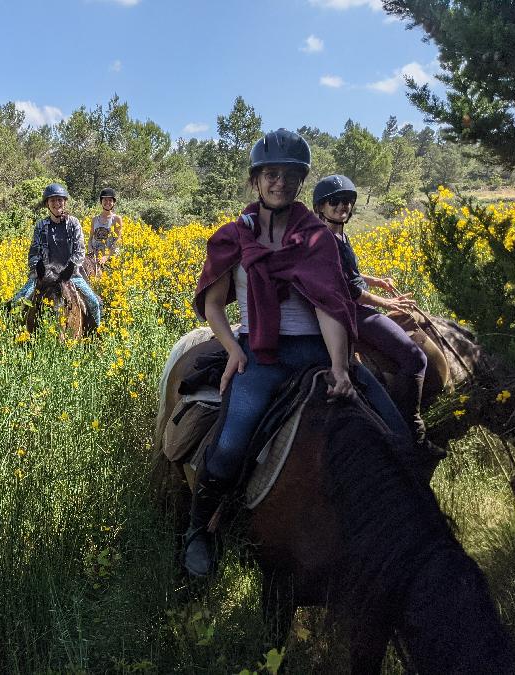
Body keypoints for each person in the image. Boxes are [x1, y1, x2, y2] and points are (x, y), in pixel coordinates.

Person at [185, 129, 413, 577]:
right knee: (229, 445)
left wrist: (340, 366)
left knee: (397, 434)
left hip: (316, 351)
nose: (280, 183)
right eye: (271, 174)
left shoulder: (317, 237)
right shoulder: (233, 237)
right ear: (256, 180)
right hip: (261, 355)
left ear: (300, 181)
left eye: (290, 176)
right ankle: (200, 530)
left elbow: (330, 305)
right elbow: (213, 303)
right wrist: (232, 348)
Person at [313, 174, 441, 459]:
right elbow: (352, 292)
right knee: (415, 357)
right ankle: (414, 435)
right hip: (350, 312)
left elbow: (351, 275)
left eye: (348, 201)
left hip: (351, 305)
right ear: (320, 207)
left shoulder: (336, 234)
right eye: (335, 201)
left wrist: (377, 281)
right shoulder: (326, 240)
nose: (342, 206)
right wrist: (389, 302)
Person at [7, 183, 102, 328]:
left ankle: (96, 335)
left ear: (64, 202)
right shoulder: (41, 225)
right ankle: (14, 335)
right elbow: (33, 252)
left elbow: (80, 249)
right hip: (45, 276)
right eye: (52, 200)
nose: (57, 203)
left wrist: (71, 266)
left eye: (60, 200)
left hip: (70, 275)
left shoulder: (74, 223)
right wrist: (38, 266)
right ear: (47, 204)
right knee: (17, 301)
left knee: (94, 303)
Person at [88, 187, 123, 264]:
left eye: (110, 200)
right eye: (105, 200)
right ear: (101, 202)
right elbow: (90, 238)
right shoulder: (94, 219)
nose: (107, 202)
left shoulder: (116, 219)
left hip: (110, 258)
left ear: (113, 202)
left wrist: (107, 257)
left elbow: (118, 241)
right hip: (95, 257)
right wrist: (90, 251)